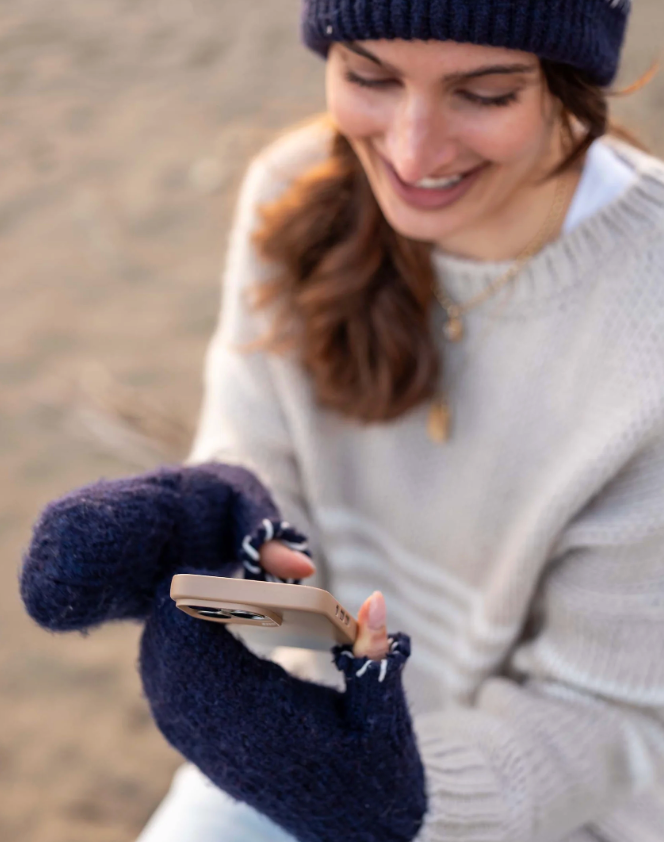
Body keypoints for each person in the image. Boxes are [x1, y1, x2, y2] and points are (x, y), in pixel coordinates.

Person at [20, 1, 664, 840]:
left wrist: (403, 797)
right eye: (368, 77)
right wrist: (220, 514)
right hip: (307, 740)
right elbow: (254, 459)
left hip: (552, 809)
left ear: (572, 88)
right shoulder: (293, 195)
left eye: (485, 94)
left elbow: (611, 717)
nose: (411, 150)